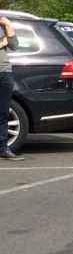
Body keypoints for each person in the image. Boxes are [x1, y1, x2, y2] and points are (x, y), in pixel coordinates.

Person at [0, 16, 23, 161]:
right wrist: (3, 41)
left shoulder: (3, 26)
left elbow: (14, 45)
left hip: (4, 72)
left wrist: (8, 24)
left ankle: (2, 148)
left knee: (2, 113)